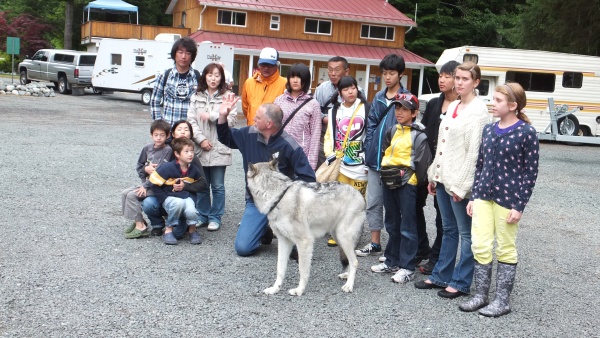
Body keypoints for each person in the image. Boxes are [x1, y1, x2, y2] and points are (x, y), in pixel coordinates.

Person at [459, 83, 539, 317]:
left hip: (508, 199)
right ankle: (481, 295)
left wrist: (519, 205)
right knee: (480, 245)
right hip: (483, 195)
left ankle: (502, 300)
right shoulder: (489, 130)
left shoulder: (527, 133)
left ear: (513, 106)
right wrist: (474, 196)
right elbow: (481, 164)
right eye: (493, 99)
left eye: (499, 100)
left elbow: (530, 172)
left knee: (505, 248)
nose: (493, 103)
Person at [414, 61, 491, 299]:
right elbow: (442, 146)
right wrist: (434, 175)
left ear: (476, 82)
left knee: (466, 233)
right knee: (448, 229)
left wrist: (464, 186)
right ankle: (441, 275)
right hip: (444, 178)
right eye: (457, 78)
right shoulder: (454, 104)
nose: (459, 82)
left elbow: (475, 153)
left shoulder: (479, 112)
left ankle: (461, 281)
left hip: (460, 183)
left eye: (464, 79)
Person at [217, 100, 315, 256]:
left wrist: (288, 194)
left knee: (296, 251)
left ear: (269, 124)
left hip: (282, 205)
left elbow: (308, 177)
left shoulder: (290, 145)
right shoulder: (248, 133)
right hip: (256, 202)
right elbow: (225, 138)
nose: (253, 120)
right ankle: (264, 228)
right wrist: (222, 116)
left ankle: (281, 228)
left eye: (257, 118)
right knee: (243, 248)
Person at [370, 93, 431, 284]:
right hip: (389, 180)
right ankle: (392, 261)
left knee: (408, 227)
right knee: (392, 223)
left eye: (404, 109)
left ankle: (408, 267)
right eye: (397, 108)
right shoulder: (391, 130)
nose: (399, 112)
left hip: (407, 184)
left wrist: (412, 180)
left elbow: (423, 165)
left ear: (414, 113)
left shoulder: (419, 135)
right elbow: (385, 153)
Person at [357, 53, 411, 257]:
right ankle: (375, 242)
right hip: (374, 159)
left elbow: (409, 127)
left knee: (394, 204)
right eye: (384, 73)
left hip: (395, 161)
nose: (387, 77)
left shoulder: (405, 98)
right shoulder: (378, 97)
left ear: (400, 74)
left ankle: (395, 246)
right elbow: (370, 123)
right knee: (373, 201)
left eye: (392, 73)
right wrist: (370, 146)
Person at [418, 60, 460, 274]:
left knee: (443, 218)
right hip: (427, 166)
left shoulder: (462, 107)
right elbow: (423, 133)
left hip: (447, 170)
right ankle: (421, 247)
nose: (442, 80)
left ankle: (437, 260)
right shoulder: (434, 103)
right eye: (440, 75)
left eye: (447, 76)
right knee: (415, 207)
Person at [188, 63, 237, 232]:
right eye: (210, 75)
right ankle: (202, 214)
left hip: (219, 147)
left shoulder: (228, 96)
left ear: (222, 78)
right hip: (200, 147)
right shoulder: (196, 96)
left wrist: (212, 116)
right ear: (204, 77)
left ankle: (215, 217)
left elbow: (231, 121)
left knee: (217, 186)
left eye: (217, 75)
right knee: (202, 184)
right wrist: (200, 139)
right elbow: (191, 121)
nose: (213, 78)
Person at [323, 76, 370, 246]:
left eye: (353, 87)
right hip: (340, 165)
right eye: (346, 89)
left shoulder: (366, 108)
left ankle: (353, 235)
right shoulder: (334, 111)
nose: (350, 91)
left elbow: (370, 135)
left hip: (360, 164)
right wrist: (329, 153)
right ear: (340, 92)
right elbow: (329, 135)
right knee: (340, 200)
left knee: (358, 202)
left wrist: (369, 159)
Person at [141, 120, 207, 237]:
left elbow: (203, 184)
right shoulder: (163, 149)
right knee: (148, 203)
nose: (183, 132)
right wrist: (145, 169)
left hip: (183, 198)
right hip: (163, 194)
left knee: (178, 233)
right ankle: (157, 225)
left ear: (191, 134)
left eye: (186, 129)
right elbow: (146, 170)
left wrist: (185, 186)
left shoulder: (191, 158)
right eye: (179, 129)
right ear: (172, 133)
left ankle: (183, 224)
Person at [121, 120, 172, 239]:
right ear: (151, 135)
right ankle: (139, 221)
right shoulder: (147, 148)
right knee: (124, 193)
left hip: (158, 186)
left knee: (132, 196)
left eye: (162, 135)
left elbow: (160, 173)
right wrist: (145, 172)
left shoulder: (167, 151)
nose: (158, 138)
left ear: (168, 135)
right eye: (156, 135)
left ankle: (141, 227)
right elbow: (140, 165)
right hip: (147, 184)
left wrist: (145, 186)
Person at [149, 137, 203, 245]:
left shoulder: (193, 169)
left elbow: (200, 184)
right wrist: (163, 198)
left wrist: (187, 189)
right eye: (186, 151)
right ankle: (169, 229)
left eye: (192, 151)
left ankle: (192, 230)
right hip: (169, 196)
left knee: (191, 210)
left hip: (185, 197)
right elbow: (153, 183)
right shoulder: (167, 168)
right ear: (177, 154)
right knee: (178, 203)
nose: (190, 154)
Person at [314, 56, 364, 167]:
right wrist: (325, 119)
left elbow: (362, 115)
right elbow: (315, 111)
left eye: (337, 70)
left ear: (346, 71)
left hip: (350, 140)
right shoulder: (321, 89)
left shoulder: (358, 91)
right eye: (330, 69)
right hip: (325, 138)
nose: (332, 73)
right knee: (325, 173)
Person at [273, 63, 322, 170]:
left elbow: (315, 134)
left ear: (305, 80)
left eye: (299, 77)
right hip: (280, 153)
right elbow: (273, 127)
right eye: (292, 77)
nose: (295, 80)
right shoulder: (279, 100)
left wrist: (311, 164)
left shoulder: (313, 104)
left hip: (301, 155)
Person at [150, 37, 200, 126]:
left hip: (191, 131)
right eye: (180, 52)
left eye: (187, 53)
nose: (183, 56)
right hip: (169, 131)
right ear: (174, 54)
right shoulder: (164, 75)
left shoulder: (198, 77)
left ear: (192, 56)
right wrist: (160, 126)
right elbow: (154, 101)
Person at [241, 47, 287, 126]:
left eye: (270, 65)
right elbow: (245, 108)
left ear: (277, 65)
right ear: (259, 64)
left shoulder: (285, 84)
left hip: (273, 133)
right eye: (263, 64)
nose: (266, 68)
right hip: (252, 129)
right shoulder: (249, 82)